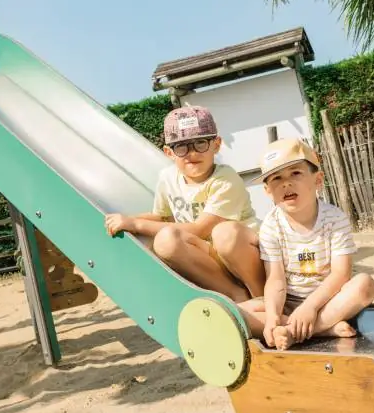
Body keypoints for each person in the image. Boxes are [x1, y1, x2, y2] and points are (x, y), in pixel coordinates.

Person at [104, 105, 265, 303]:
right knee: (165, 241)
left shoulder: (225, 179)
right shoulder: (167, 178)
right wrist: (126, 219)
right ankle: (234, 294)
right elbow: (162, 217)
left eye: (200, 143)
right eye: (181, 146)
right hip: (207, 258)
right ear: (169, 152)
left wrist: (136, 225)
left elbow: (200, 229)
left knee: (225, 234)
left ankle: (262, 296)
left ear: (216, 144)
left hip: (245, 254)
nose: (192, 153)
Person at [238, 137, 374, 351]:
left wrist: (310, 307)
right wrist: (274, 317)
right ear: (267, 190)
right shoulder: (271, 225)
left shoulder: (335, 219)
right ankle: (322, 329)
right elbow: (276, 279)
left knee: (364, 285)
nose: (286, 183)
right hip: (289, 304)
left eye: (296, 173)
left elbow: (341, 274)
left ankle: (301, 331)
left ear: (318, 179)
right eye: (276, 178)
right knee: (236, 312)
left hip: (328, 302)